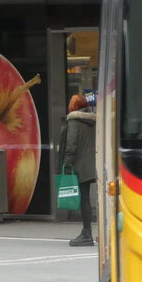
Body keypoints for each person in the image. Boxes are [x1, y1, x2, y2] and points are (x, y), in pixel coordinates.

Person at [60, 93, 97, 247]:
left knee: (84, 199)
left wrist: (67, 164)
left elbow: (71, 145)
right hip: (90, 163)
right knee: (86, 198)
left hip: (79, 165)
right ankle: (87, 231)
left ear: (73, 106)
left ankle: (86, 233)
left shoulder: (74, 121)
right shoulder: (92, 121)